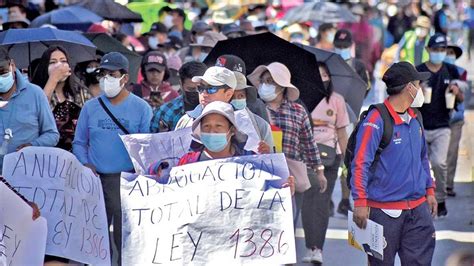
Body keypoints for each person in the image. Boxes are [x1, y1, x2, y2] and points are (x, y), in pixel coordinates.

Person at [352, 62, 437, 265]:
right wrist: (360, 201)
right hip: (382, 213)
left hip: (418, 210)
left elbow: (422, 157)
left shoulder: (416, 118)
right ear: (409, 87)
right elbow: (360, 162)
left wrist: (430, 190)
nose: (422, 89)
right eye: (418, 83)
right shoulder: (376, 119)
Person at [73, 52, 152, 264]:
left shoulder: (142, 108)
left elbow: (145, 145)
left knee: (125, 236)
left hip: (127, 181)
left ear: (124, 78)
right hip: (97, 180)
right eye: (103, 74)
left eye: (112, 74)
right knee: (96, 234)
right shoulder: (90, 108)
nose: (106, 78)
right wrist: (85, 164)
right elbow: (79, 143)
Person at [247, 62, 327, 263]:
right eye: (263, 81)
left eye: (271, 82)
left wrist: (319, 170)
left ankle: (284, 258)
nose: (266, 85)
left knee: (287, 221)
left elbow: (309, 143)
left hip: (290, 176)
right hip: (259, 172)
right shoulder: (254, 108)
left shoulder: (298, 111)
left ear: (282, 86)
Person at [303, 62, 350, 263]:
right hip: (305, 157)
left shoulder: (337, 100)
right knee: (307, 203)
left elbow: (341, 131)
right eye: (317, 74)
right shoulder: (301, 99)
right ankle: (309, 244)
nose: (322, 78)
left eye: (325, 74)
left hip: (331, 157)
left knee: (321, 203)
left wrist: (348, 159)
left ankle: (317, 248)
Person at [416, 33, 464, 217]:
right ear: (428, 50)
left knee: (438, 163)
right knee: (420, 166)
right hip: (420, 125)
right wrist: (418, 92)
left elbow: (461, 98)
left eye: (442, 49)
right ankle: (423, 200)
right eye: (435, 49)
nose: (439, 53)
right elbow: (409, 100)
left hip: (443, 125)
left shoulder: (451, 70)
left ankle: (441, 198)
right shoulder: (419, 70)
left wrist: (456, 91)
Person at [0, 47, 59, 171]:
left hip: (28, 175)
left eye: (2, 72)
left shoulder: (35, 93)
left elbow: (52, 135)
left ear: (12, 65)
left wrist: (32, 146)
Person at [31, 46, 92, 151]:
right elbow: (37, 113)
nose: (59, 66)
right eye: (53, 62)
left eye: (63, 61)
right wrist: (53, 79)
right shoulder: (35, 92)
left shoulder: (81, 92)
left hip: (77, 154)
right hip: (47, 153)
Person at [151, 61, 207, 132]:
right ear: (181, 84)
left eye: (200, 88)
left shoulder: (217, 110)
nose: (197, 92)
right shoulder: (164, 113)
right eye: (191, 89)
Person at [444, 44, 468, 197]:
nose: (448, 54)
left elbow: (464, 92)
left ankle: (449, 185)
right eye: (446, 51)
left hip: (455, 118)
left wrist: (456, 87)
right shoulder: (436, 71)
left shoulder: (461, 73)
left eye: (451, 52)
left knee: (451, 153)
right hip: (437, 118)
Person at [333, 29, 370, 94]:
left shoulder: (359, 65)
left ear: (351, 45)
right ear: (333, 45)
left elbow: (366, 88)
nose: (341, 49)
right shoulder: (327, 62)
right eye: (338, 46)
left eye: (345, 46)